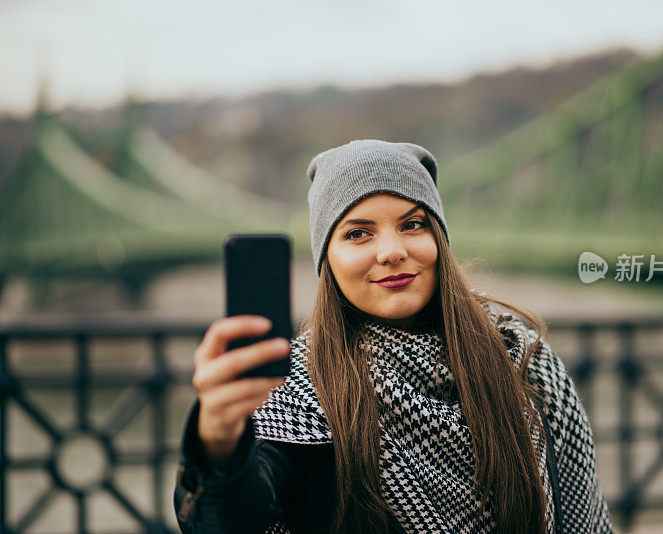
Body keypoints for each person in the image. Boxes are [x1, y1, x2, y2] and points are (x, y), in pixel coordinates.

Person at [174, 140, 612, 534]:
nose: (391, 251)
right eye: (358, 233)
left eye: (413, 224)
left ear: (439, 238)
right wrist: (218, 439)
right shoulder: (299, 390)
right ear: (328, 258)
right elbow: (233, 520)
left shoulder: (524, 361)